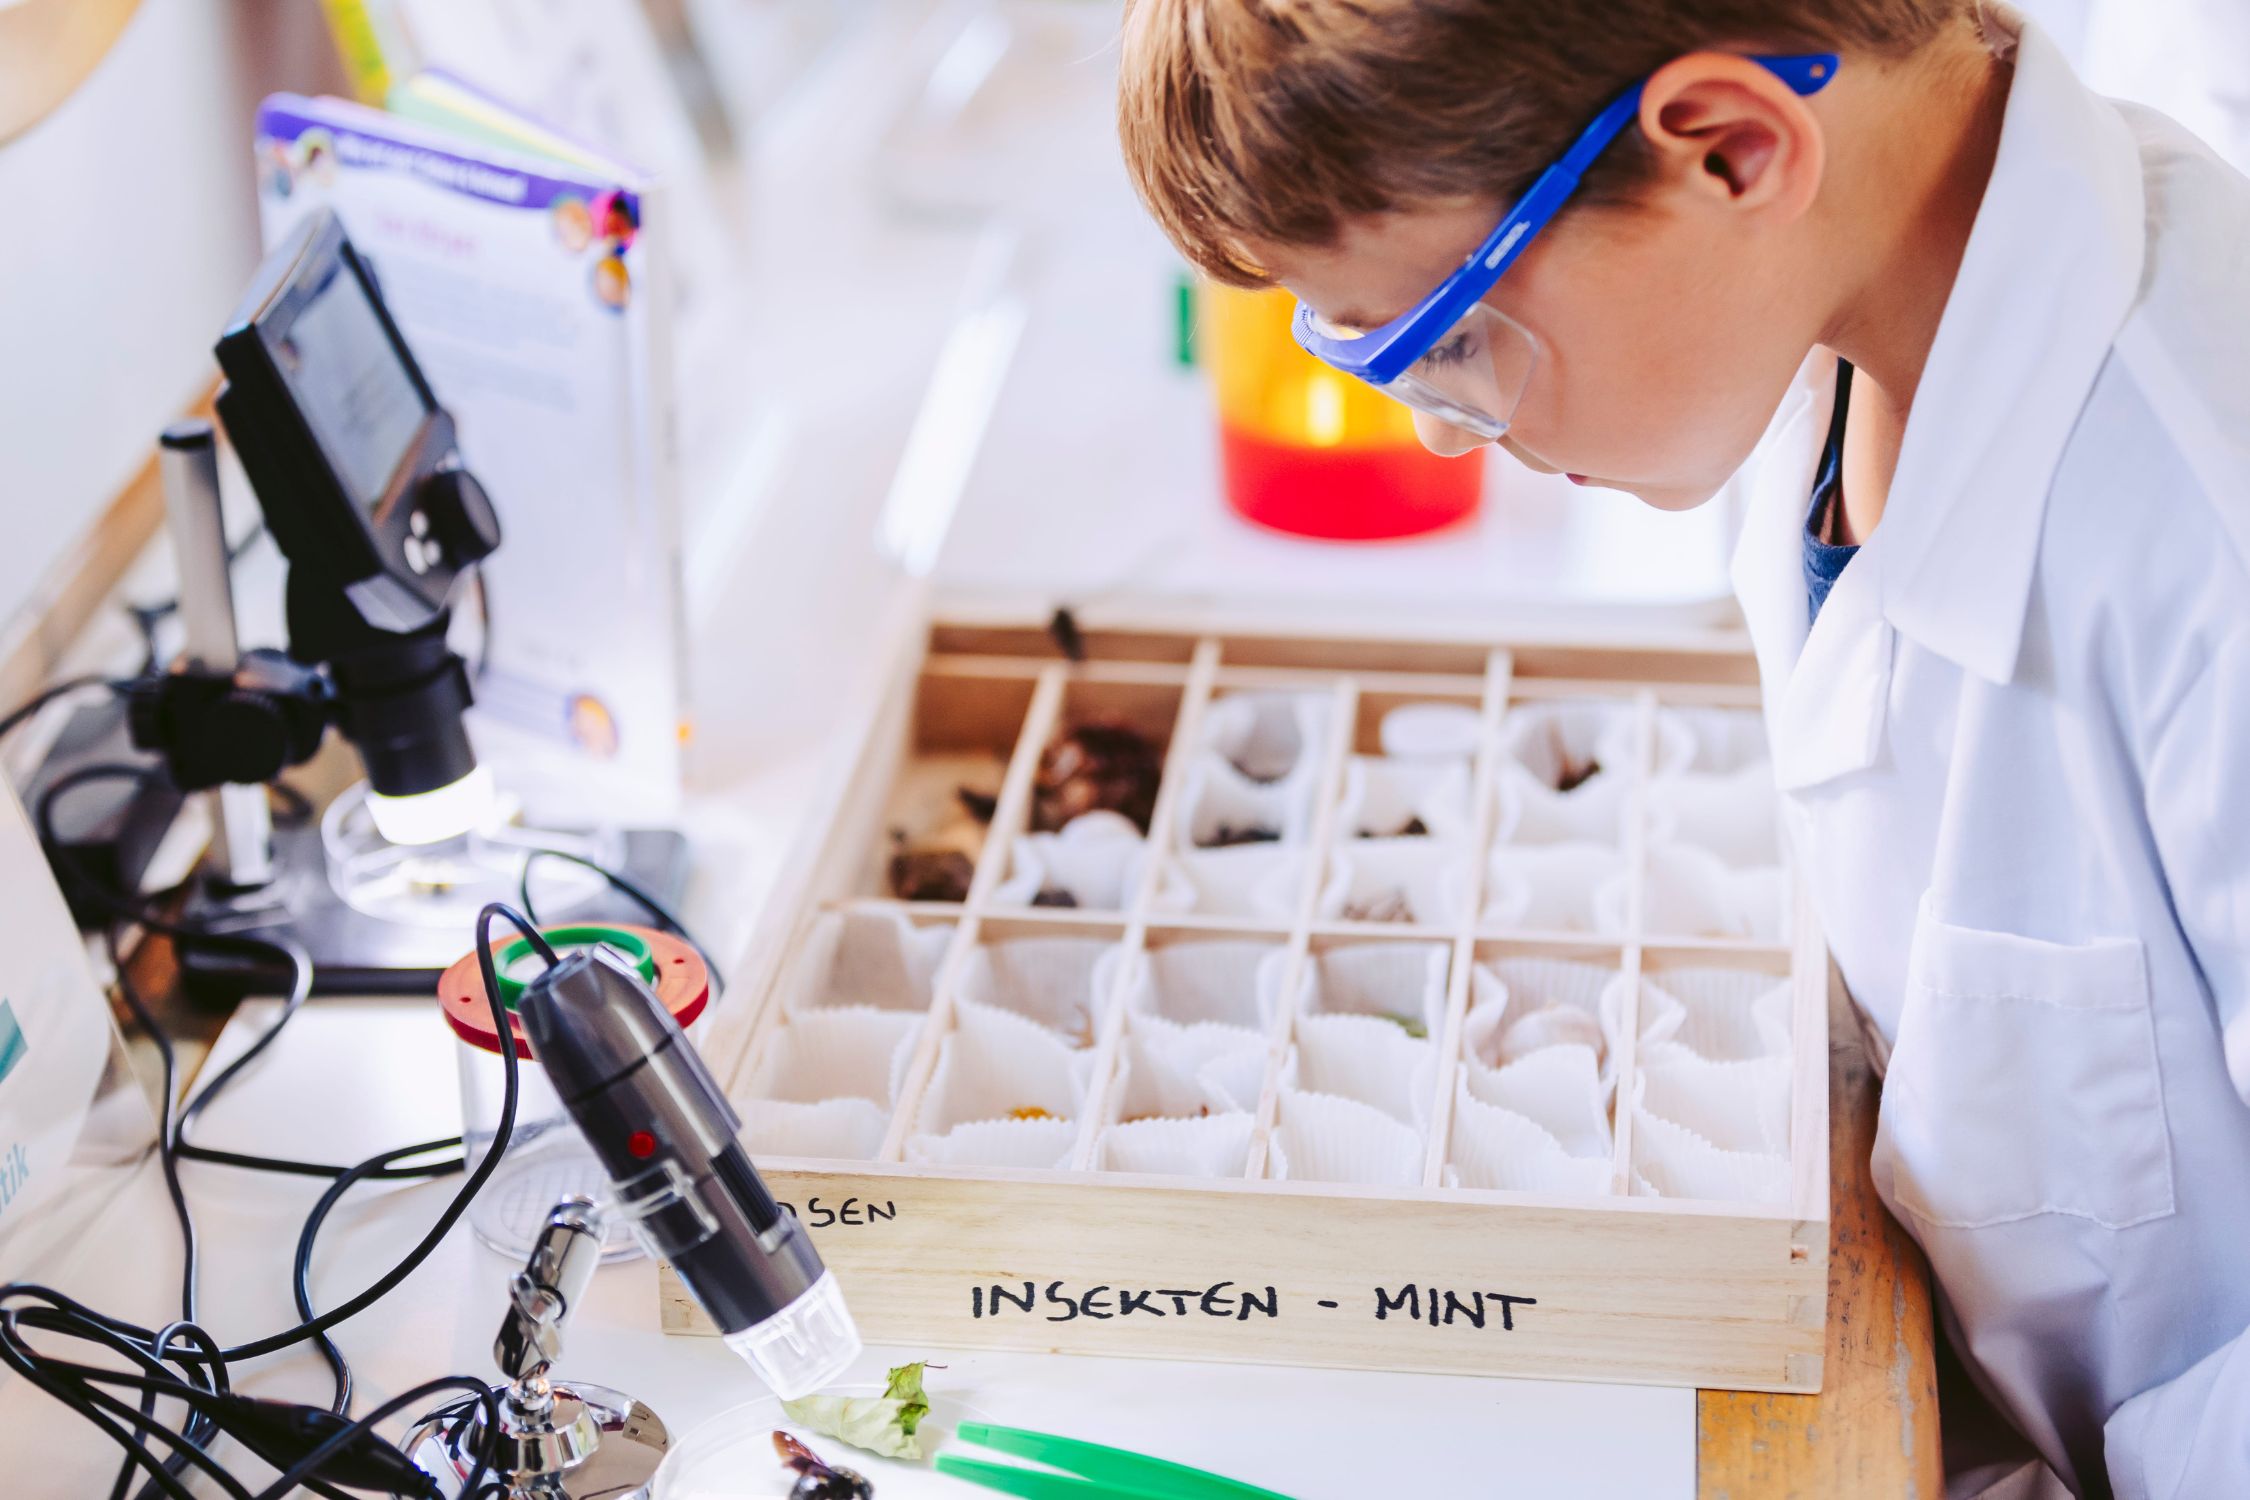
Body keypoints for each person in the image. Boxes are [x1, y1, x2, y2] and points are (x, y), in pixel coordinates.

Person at [1115, 3, 2250, 1496]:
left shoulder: (2202, 527)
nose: (1448, 434)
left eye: (1446, 340)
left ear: (1728, 150)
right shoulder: (1829, 333)